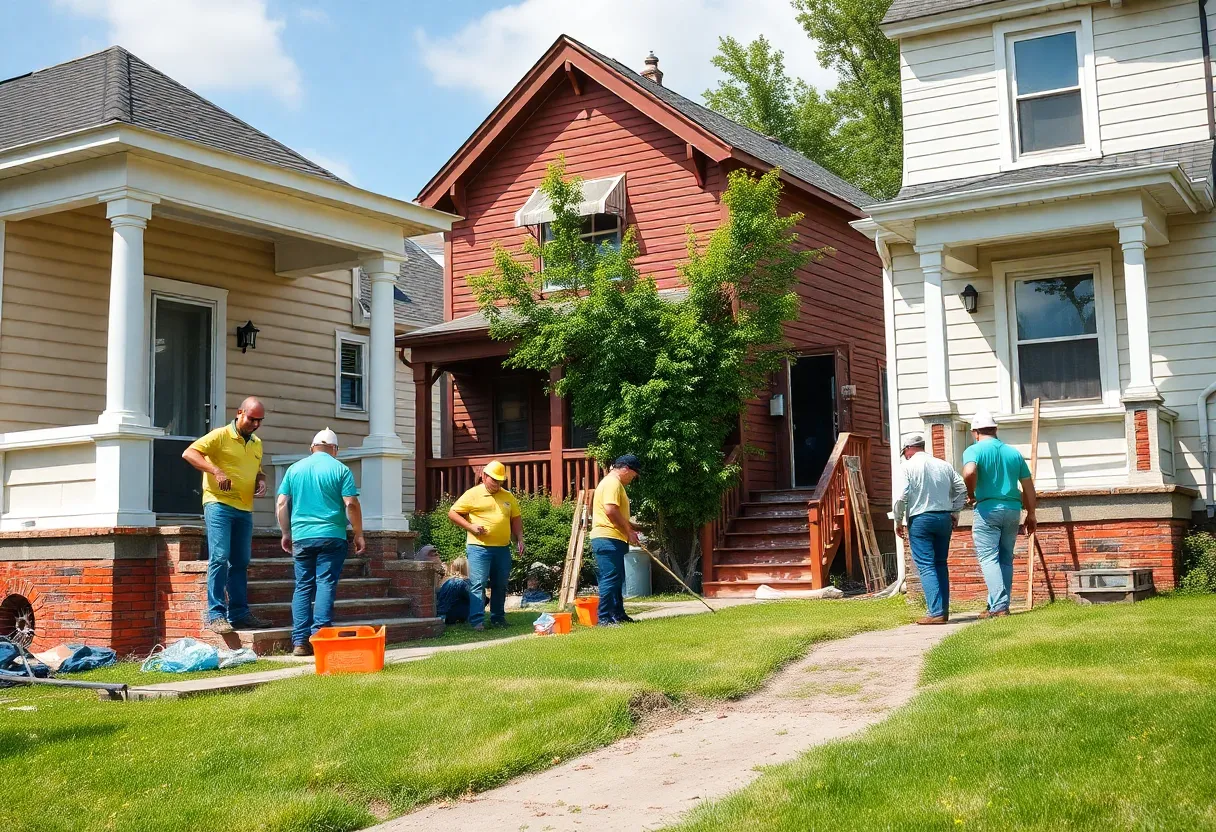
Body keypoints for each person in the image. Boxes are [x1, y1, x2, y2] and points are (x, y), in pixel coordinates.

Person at [183, 397, 271, 634]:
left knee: (241, 562)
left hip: (244, 508)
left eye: (259, 421)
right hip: (219, 504)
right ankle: (216, 614)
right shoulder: (219, 435)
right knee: (220, 557)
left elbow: (257, 470)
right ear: (240, 413)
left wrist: (261, 481)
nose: (255, 424)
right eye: (252, 419)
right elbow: (189, 453)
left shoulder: (256, 443)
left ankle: (240, 613)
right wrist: (216, 470)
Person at [275, 428, 364, 657]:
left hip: (302, 536)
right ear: (335, 450)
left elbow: (282, 503)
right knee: (325, 583)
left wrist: (286, 532)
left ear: (311, 448)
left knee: (303, 585)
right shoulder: (340, 469)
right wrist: (358, 533)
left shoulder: (295, 469)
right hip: (331, 535)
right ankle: (320, 637)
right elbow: (351, 504)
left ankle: (299, 641)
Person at [962, 410, 1037, 618]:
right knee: (1005, 558)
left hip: (988, 509)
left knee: (988, 557)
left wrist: (970, 492)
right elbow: (1029, 487)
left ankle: (999, 607)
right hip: (1013, 509)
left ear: (975, 432)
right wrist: (1031, 513)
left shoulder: (973, 450)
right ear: (996, 430)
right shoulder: (1013, 453)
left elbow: (969, 472)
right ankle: (996, 605)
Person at [893, 432, 967, 625]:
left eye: (905, 452)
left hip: (920, 519)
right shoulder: (944, 465)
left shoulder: (907, 466)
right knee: (941, 564)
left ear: (908, 449)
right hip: (943, 517)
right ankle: (943, 611)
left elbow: (902, 496)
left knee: (926, 565)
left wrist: (898, 520)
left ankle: (935, 612)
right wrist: (955, 511)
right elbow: (961, 488)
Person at [448, 461, 524, 631]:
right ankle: (477, 622)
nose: (497, 484)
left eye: (500, 481)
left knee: (500, 584)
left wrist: (520, 537)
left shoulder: (508, 496)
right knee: (478, 584)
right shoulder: (472, 494)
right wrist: (470, 527)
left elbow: (516, 519)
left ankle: (498, 618)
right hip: (479, 548)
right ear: (484, 476)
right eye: (494, 480)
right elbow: (452, 513)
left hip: (502, 548)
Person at [590, 455, 641, 627]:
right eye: (634, 475)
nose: (633, 479)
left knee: (617, 578)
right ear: (626, 469)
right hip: (607, 537)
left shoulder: (614, 483)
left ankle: (618, 614)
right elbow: (611, 511)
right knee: (610, 578)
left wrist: (633, 527)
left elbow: (617, 514)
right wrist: (629, 532)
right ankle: (603, 618)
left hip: (614, 537)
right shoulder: (612, 482)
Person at [436, 557, 471, 625]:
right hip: (452, 616)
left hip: (442, 614)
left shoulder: (447, 581)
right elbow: (472, 598)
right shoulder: (464, 582)